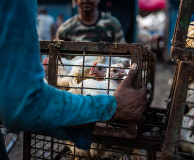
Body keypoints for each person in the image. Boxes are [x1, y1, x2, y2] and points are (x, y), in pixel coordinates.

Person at [0, 0, 146, 159]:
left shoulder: (111, 24)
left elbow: (123, 55)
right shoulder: (66, 28)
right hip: (79, 96)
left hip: (98, 91)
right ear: (75, 1)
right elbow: (58, 64)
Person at [56, 0, 126, 43]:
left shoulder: (112, 25)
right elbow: (55, 59)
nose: (86, 0)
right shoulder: (65, 29)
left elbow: (123, 55)